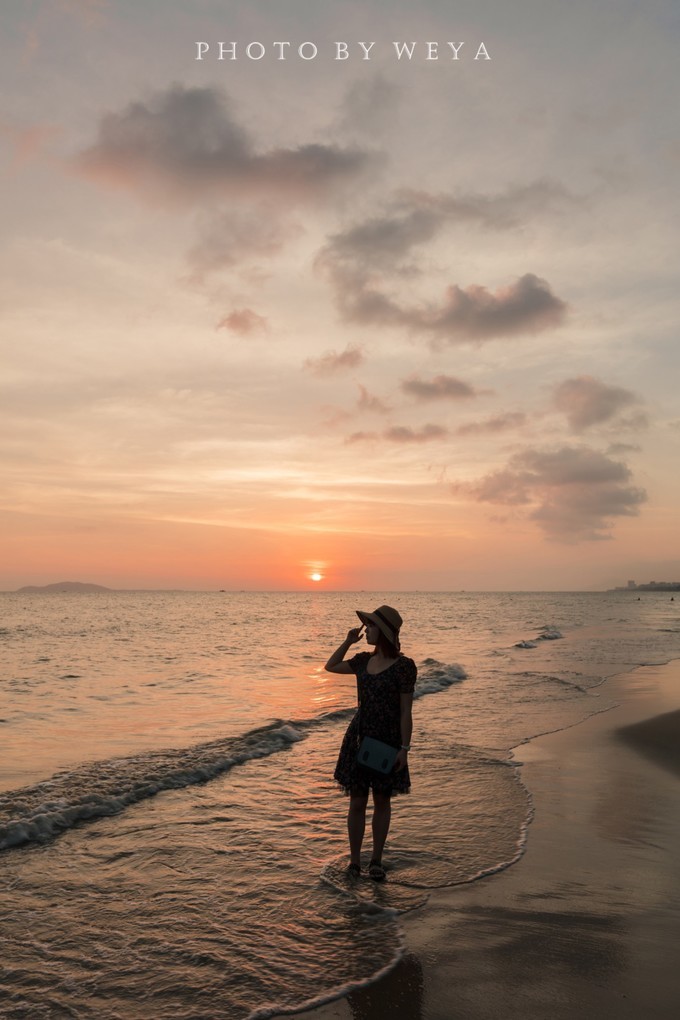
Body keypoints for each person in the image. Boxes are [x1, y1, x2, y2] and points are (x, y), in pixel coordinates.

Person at [325, 604, 417, 881]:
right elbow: (331, 666)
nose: (366, 630)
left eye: (371, 625)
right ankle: (354, 862)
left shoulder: (404, 667)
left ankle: (376, 860)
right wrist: (347, 640)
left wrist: (405, 749)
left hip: (388, 741)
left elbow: (405, 712)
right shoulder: (363, 660)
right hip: (359, 737)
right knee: (356, 802)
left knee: (381, 801)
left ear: (385, 632)